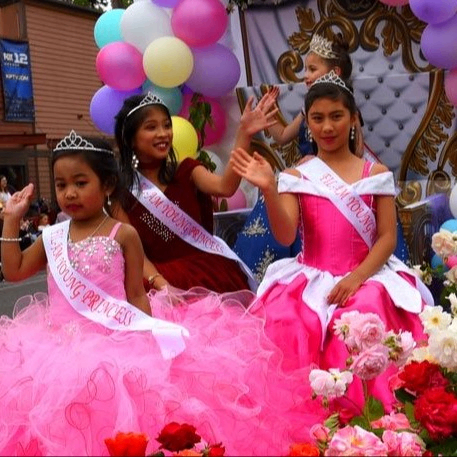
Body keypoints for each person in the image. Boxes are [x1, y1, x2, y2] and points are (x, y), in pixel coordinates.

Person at [0, 130, 326, 456]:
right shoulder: (52, 237)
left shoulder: (123, 233)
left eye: (80, 183)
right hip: (54, 352)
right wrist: (12, 221)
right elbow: (15, 271)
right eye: (61, 185)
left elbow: (135, 294)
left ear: (108, 185)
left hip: (115, 342)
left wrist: (147, 336)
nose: (69, 193)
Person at [230, 71, 434, 413]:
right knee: (292, 318)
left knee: (363, 312)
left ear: (353, 119)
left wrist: (356, 279)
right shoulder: (298, 176)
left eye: (336, 117)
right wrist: (268, 187)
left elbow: (386, 238)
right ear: (307, 123)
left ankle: (372, 414)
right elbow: (286, 236)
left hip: (368, 275)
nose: (327, 127)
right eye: (318, 118)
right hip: (310, 275)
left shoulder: (376, 174)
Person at [113, 92, 277, 293]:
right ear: (131, 139)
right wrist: (163, 286)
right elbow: (135, 254)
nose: (163, 133)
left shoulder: (187, 170)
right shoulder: (121, 193)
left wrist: (244, 133)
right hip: (154, 280)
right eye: (151, 127)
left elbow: (225, 187)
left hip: (205, 275)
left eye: (166, 125)